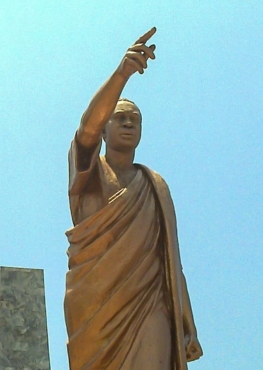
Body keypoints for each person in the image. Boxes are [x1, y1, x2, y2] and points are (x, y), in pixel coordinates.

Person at [64, 27, 203, 370]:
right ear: (106, 129)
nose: (128, 124)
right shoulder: (90, 174)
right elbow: (85, 131)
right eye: (120, 118)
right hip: (95, 304)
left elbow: (172, 260)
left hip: (149, 303)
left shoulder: (154, 185)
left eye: (135, 120)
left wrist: (188, 325)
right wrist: (122, 74)